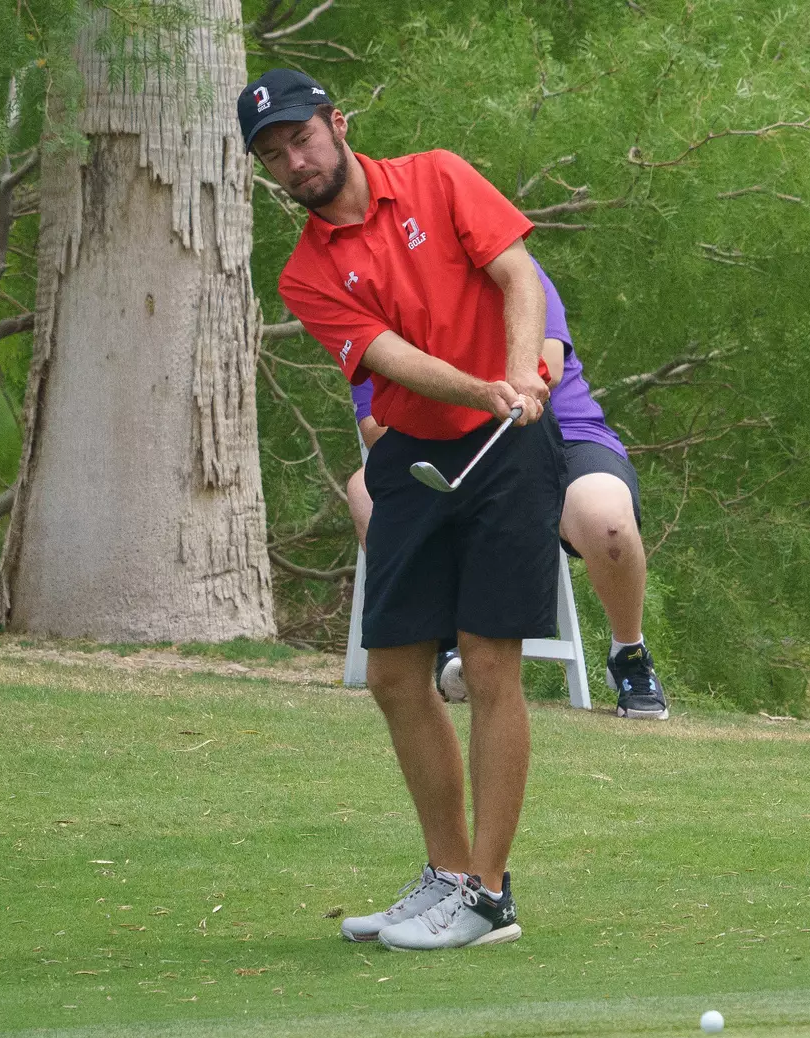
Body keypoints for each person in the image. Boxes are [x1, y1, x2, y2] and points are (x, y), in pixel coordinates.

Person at [239, 67, 550, 951]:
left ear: (337, 125)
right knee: (392, 675)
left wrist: (522, 372)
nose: (292, 160)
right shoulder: (306, 273)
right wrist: (483, 387)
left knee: (491, 664)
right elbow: (387, 355)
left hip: (509, 448)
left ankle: (490, 897)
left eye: (300, 137)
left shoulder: (438, 176)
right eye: (273, 154)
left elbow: (517, 274)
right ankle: (449, 874)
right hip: (414, 455)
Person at [347, 257, 669, 721]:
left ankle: (629, 656)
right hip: (443, 449)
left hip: (562, 432)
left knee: (610, 526)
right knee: (366, 491)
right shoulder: (376, 302)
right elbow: (377, 429)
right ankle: (443, 646)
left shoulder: (510, 267)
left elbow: (546, 371)